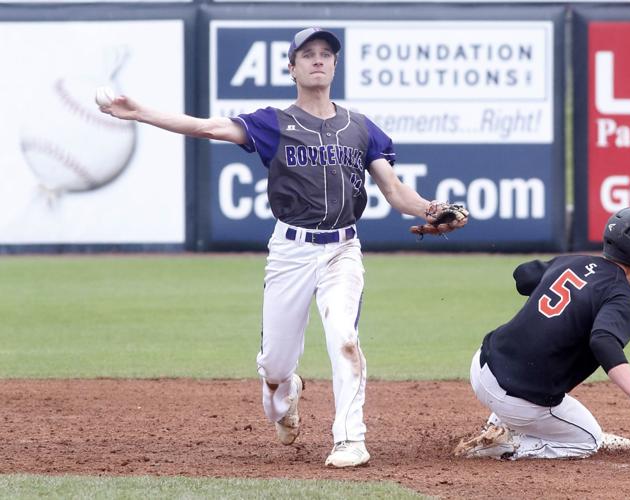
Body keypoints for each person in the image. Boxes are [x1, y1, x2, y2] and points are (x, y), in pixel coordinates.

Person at [99, 27, 467, 468]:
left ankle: (350, 439)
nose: (317, 60)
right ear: (291, 67)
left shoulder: (361, 128)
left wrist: (432, 208)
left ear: (334, 65)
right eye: (307, 54)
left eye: (325, 54)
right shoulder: (274, 122)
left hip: (342, 251)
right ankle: (285, 393)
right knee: (275, 370)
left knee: (344, 339)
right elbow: (207, 127)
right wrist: (140, 112)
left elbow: (393, 190)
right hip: (291, 251)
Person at [454, 206, 630, 460]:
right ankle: (510, 446)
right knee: (589, 440)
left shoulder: (574, 261)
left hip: (482, 366)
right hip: (519, 400)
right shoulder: (621, 296)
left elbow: (523, 276)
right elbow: (603, 341)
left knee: (534, 358)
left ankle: (499, 426)